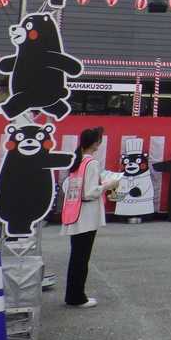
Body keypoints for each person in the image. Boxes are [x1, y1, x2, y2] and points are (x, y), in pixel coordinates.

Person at [63, 127, 122, 308]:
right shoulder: (91, 163)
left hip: (75, 213)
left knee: (77, 256)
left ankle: (73, 295)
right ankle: (77, 297)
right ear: (96, 144)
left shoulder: (77, 161)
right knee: (81, 258)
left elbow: (69, 186)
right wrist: (107, 185)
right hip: (87, 215)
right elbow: (89, 192)